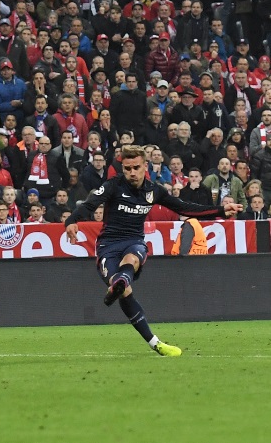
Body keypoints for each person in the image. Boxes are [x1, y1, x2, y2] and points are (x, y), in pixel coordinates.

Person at [65, 145, 242, 356]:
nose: (131, 172)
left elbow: (184, 207)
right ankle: (153, 340)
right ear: (123, 168)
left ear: (145, 166)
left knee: (133, 257)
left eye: (136, 167)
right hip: (108, 247)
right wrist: (72, 220)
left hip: (133, 242)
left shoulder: (154, 190)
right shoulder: (113, 185)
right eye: (127, 168)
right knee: (125, 291)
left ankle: (121, 284)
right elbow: (90, 204)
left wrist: (221, 210)